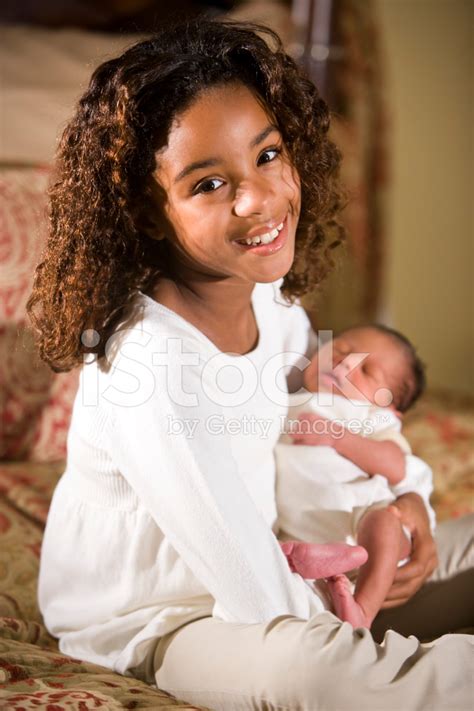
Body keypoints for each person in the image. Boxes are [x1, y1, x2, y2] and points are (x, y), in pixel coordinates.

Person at [27, 17, 473, 711]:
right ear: (149, 211)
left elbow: (344, 418)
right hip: (174, 620)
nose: (258, 199)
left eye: (267, 156)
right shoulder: (148, 368)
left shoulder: (275, 308)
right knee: (314, 670)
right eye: (208, 184)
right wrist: (358, 606)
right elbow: (252, 585)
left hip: (297, 560)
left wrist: (408, 498)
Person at [276, 324, 435, 629]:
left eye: (366, 370)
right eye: (341, 349)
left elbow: (395, 464)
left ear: (390, 407)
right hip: (306, 533)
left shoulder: (370, 417)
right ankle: (331, 570)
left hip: (362, 515)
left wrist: (338, 438)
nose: (345, 364)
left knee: (384, 523)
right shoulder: (286, 399)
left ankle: (363, 610)